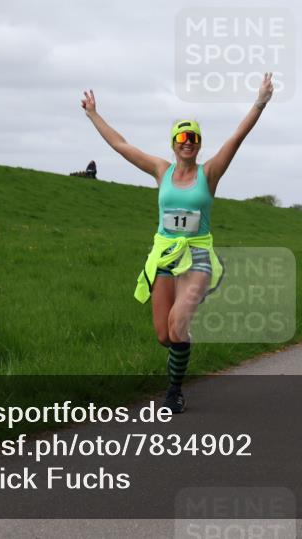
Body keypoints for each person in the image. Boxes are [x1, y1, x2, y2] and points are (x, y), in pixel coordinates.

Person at [81, 74, 274, 413]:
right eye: (183, 137)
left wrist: (259, 102)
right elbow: (121, 145)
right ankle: (183, 342)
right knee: (164, 336)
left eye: (194, 138)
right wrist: (94, 114)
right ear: (173, 142)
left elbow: (238, 136)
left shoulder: (210, 172)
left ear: (199, 144)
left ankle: (173, 393)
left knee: (177, 323)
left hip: (197, 256)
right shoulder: (161, 170)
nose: (189, 142)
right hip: (164, 256)